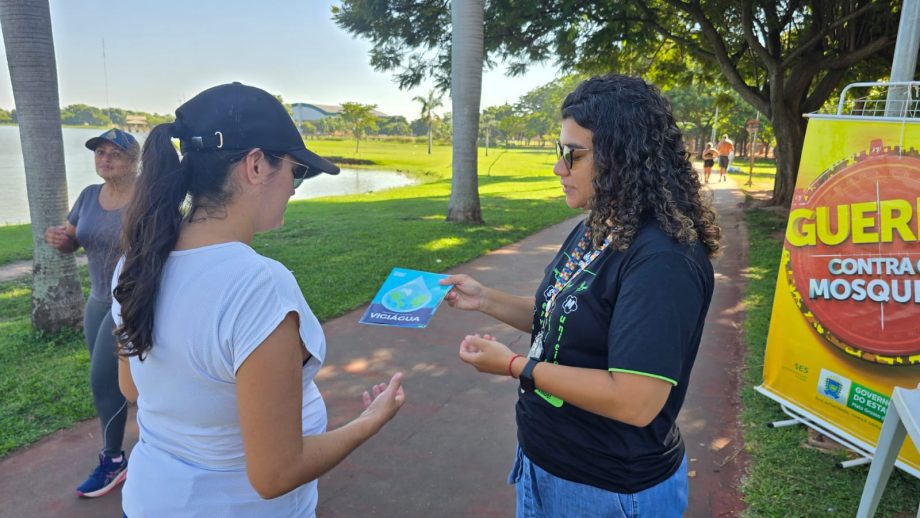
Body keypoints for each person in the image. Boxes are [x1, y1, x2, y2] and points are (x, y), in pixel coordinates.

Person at [110, 83, 406, 516]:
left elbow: (132, 385)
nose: (294, 187)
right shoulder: (256, 285)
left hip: (151, 499)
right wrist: (369, 422)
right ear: (255, 165)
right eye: (296, 171)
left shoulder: (136, 262)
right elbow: (275, 475)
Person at [441, 75, 720, 517]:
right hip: (545, 463)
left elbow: (635, 399)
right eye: (559, 152)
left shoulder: (663, 260)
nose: (559, 168)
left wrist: (516, 366)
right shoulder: (600, 225)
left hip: (607, 491)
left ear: (621, 156)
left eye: (573, 155)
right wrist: (485, 299)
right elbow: (565, 318)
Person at [44, 128, 139, 498]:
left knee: (104, 379)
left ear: (135, 159)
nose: (106, 158)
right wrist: (62, 240)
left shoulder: (147, 195)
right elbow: (73, 239)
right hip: (97, 301)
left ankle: (113, 461)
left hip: (131, 301)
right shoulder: (87, 196)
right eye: (100, 152)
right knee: (115, 380)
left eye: (115, 152)